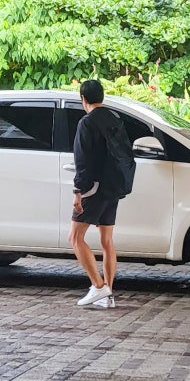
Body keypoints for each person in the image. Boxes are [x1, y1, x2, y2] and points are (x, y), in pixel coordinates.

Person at [69, 78, 135, 309]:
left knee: (75, 238)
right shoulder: (114, 119)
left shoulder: (87, 123)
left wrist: (79, 191)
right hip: (114, 186)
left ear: (83, 99)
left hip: (94, 187)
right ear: (102, 97)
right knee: (107, 240)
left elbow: (82, 159)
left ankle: (98, 287)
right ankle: (108, 295)